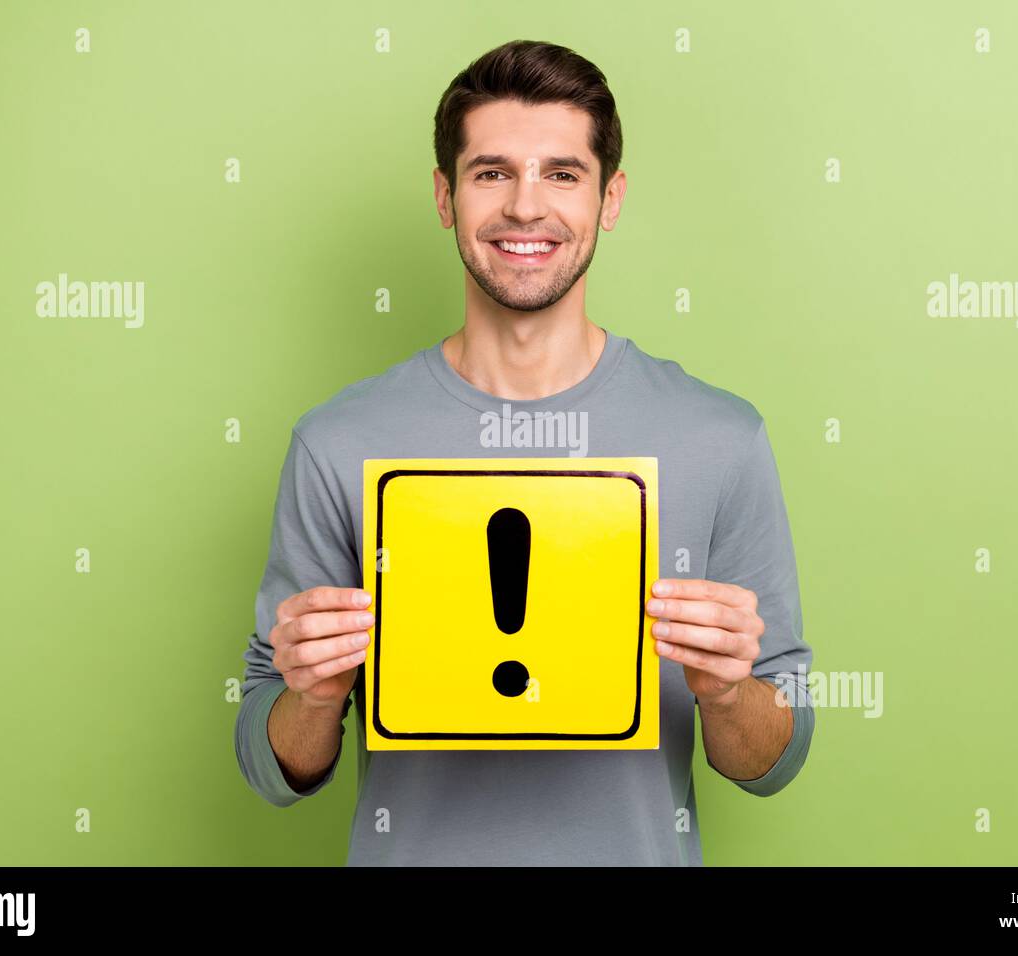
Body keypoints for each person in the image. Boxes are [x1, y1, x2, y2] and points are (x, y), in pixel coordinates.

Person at [234, 39, 814, 866]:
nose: (525, 208)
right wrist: (312, 695)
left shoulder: (719, 437)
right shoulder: (338, 443)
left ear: (610, 198)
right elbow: (269, 759)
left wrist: (726, 691)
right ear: (445, 195)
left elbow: (774, 760)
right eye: (492, 172)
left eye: (563, 174)